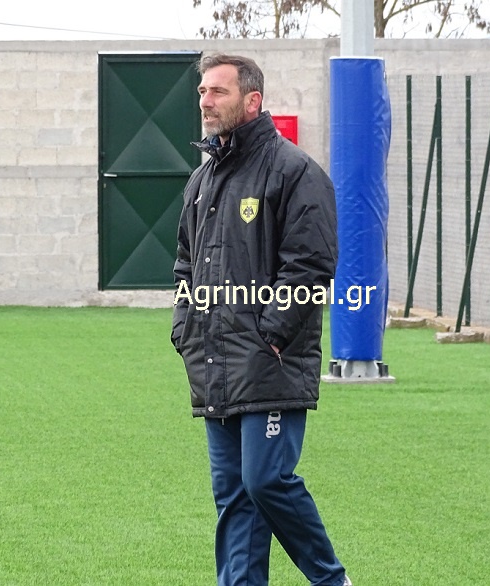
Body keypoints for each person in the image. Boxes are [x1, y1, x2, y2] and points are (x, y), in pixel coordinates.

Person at [171, 53, 351, 586]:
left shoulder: (295, 171)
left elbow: (310, 264)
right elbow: (185, 262)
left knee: (266, 480)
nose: (205, 102)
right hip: (212, 358)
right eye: (202, 92)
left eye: (218, 92)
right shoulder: (202, 180)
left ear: (252, 100)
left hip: (270, 361)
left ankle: (331, 580)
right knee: (234, 496)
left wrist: (272, 334)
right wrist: (185, 326)